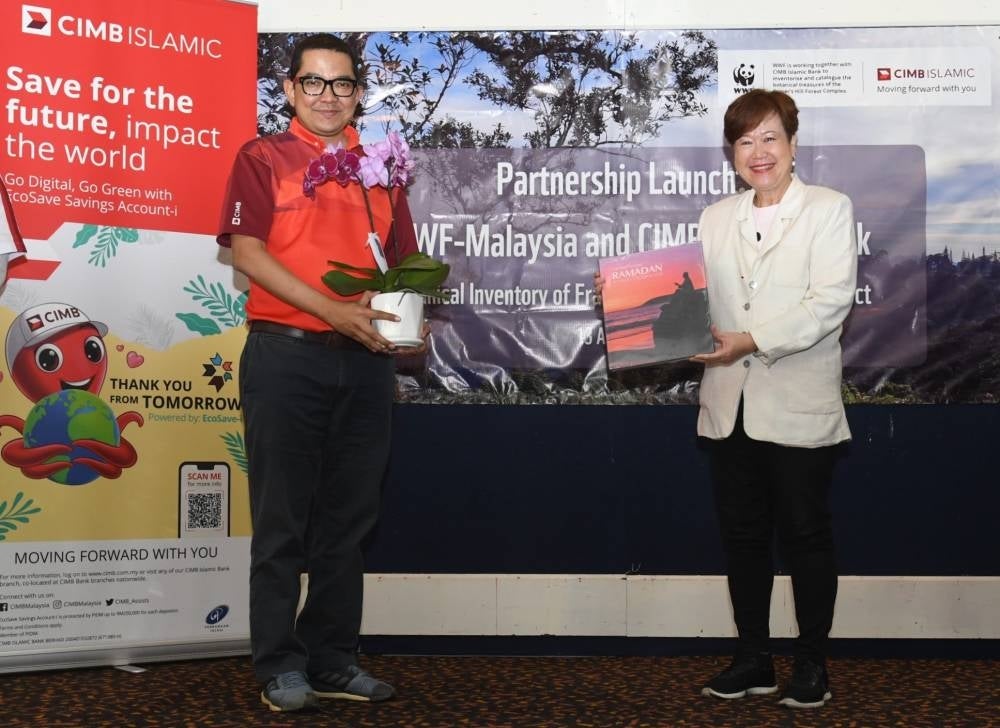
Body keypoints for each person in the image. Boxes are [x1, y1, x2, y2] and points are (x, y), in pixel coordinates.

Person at [217, 33, 424, 713]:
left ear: (359, 92)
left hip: (363, 366)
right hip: (285, 358)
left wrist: (406, 314)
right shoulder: (262, 156)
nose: (327, 96)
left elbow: (403, 267)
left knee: (348, 523)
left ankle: (333, 657)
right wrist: (334, 311)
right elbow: (246, 252)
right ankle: (278, 663)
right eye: (313, 82)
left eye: (341, 84)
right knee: (282, 523)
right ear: (289, 90)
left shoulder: (382, 166)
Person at [692, 89, 856, 709]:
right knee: (743, 537)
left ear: (791, 144)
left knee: (807, 535)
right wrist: (639, 301)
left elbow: (829, 302)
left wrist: (752, 341)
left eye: (770, 139)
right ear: (731, 151)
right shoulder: (714, 217)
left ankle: (811, 664)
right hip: (727, 403)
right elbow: (695, 303)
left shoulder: (829, 209)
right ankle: (753, 658)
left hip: (797, 402)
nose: (758, 153)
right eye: (744, 141)